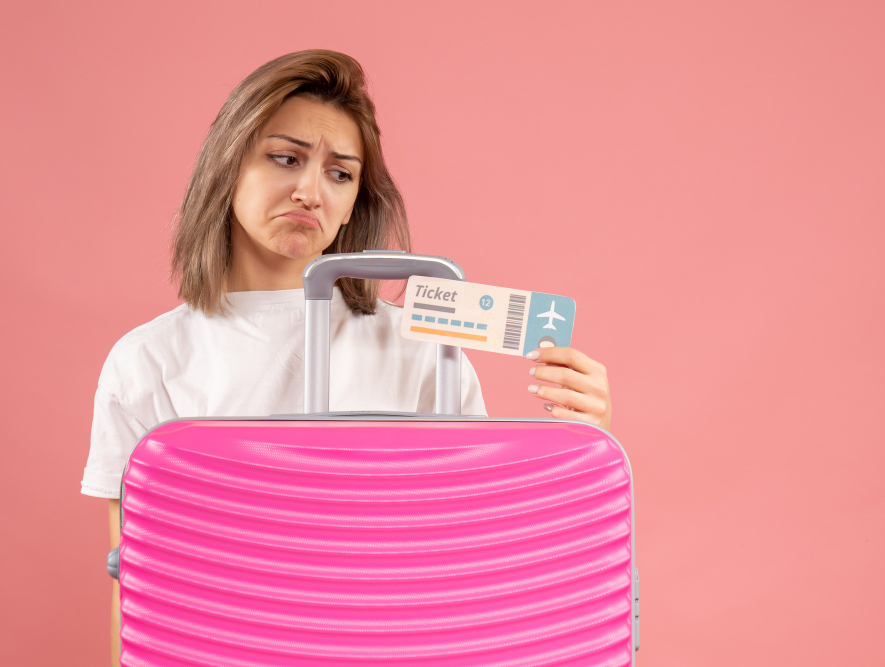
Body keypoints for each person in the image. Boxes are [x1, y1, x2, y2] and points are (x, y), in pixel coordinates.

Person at [80, 49, 612, 665]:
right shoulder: (147, 360)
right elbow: (138, 590)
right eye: (286, 159)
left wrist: (582, 449)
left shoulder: (421, 347)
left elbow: (478, 554)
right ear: (227, 167)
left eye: (340, 174)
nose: (310, 191)